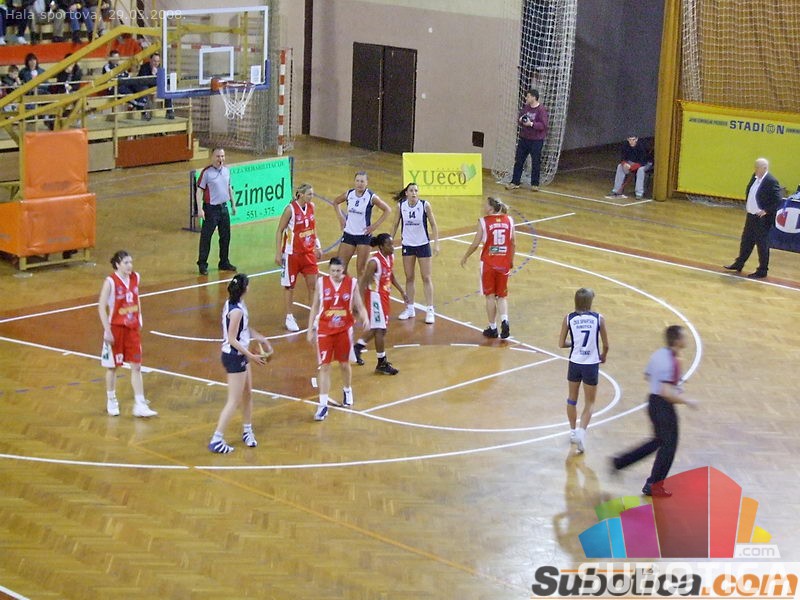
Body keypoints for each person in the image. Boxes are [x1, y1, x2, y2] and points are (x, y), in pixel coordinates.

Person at [611, 325, 699, 497]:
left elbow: (648, 376)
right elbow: (667, 393)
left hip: (652, 402)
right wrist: (687, 401)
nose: (686, 339)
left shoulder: (659, 354)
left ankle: (620, 462)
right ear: (677, 340)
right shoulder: (672, 361)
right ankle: (653, 484)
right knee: (669, 446)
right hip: (663, 406)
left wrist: (671, 382)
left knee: (658, 441)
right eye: (683, 337)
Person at [207, 273, 272, 454]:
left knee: (247, 393)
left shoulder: (236, 304)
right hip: (235, 357)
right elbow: (232, 338)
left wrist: (260, 337)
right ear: (245, 289)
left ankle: (247, 430)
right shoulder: (236, 311)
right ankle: (217, 438)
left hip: (240, 356)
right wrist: (251, 355)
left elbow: (243, 329)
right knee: (234, 400)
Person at [306, 257, 368, 421]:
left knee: (344, 364)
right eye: (332, 271)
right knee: (324, 366)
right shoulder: (321, 283)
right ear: (329, 270)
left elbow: (359, 305)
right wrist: (310, 329)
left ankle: (347, 390)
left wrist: (365, 318)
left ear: (343, 270)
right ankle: (323, 405)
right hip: (324, 329)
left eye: (338, 271)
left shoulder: (351, 283)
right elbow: (314, 306)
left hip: (344, 330)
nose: (335, 274)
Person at [97, 250, 158, 418]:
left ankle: (140, 403)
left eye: (131, 262)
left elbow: (136, 298)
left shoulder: (135, 277)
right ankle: (111, 399)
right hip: (116, 329)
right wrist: (107, 330)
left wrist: (139, 317)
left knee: (136, 366)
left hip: (132, 328)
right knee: (112, 367)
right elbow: (101, 307)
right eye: (126, 263)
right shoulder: (110, 282)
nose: (130, 265)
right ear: (117, 264)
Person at [558, 288, 609, 454]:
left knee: (572, 399)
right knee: (590, 402)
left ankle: (573, 431)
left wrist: (574, 344)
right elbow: (606, 345)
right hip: (591, 364)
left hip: (574, 363)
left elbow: (561, 344)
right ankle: (581, 432)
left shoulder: (568, 318)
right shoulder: (599, 319)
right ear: (590, 302)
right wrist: (603, 355)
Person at [460, 197, 516, 340]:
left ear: (490, 208)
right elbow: (513, 243)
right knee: (502, 296)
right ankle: (505, 320)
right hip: (503, 263)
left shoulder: (483, 222)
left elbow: (475, 244)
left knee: (490, 296)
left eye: (485, 205)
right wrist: (511, 260)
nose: (483, 207)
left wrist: (465, 256)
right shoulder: (509, 220)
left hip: (488, 264)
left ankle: (493, 328)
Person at [354, 233, 408, 375]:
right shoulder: (374, 262)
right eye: (389, 244)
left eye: (392, 244)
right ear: (382, 247)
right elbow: (363, 282)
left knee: (379, 329)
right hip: (375, 298)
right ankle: (381, 362)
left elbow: (391, 275)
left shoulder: (390, 257)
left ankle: (357, 348)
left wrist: (402, 291)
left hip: (384, 296)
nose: (393, 247)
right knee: (380, 330)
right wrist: (358, 303)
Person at [723, 157, 782, 279]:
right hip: (751, 216)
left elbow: (778, 200)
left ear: (764, 168)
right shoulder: (754, 177)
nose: (755, 169)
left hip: (762, 219)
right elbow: (749, 191)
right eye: (755, 167)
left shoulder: (771, 181)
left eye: (757, 167)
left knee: (762, 244)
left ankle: (762, 270)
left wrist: (766, 210)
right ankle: (739, 263)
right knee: (746, 241)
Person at [389, 182, 440, 324]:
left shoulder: (424, 205)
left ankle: (430, 310)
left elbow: (433, 224)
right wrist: (389, 241)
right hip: (408, 245)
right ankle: (410, 308)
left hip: (423, 244)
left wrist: (436, 243)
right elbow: (395, 224)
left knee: (426, 277)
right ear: (406, 193)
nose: (414, 193)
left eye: (416, 190)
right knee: (409, 277)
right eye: (411, 190)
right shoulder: (401, 206)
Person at [275, 182, 322, 332]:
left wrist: (317, 245)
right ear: (301, 195)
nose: (312, 196)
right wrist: (278, 252)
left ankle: (314, 317)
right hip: (292, 254)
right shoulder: (290, 209)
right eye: (309, 194)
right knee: (289, 287)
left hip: (308, 253)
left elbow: (313, 228)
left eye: (312, 194)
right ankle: (289, 317)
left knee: (313, 286)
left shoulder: (312, 207)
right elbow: (279, 230)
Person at [332, 171, 392, 276]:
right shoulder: (349, 194)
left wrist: (374, 226)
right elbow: (336, 202)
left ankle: (361, 287)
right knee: (341, 267)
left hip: (363, 237)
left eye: (362, 181)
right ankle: (351, 285)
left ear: (366, 183)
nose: (359, 184)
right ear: (354, 182)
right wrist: (341, 218)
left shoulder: (371, 197)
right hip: (349, 234)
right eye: (358, 181)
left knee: (361, 270)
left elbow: (387, 210)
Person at [196, 148, 237, 276]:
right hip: (211, 209)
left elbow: (229, 187)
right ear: (212, 157)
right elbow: (199, 191)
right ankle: (202, 264)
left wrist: (233, 204)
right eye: (218, 156)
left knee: (225, 236)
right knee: (206, 237)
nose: (221, 159)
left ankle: (224, 262)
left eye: (222, 156)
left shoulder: (226, 171)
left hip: (223, 208)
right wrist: (200, 209)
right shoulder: (206, 173)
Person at [505, 88, 549, 192]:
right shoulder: (526, 108)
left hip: (536, 140)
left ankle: (535, 184)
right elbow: (520, 118)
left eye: (528, 96)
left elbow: (543, 125)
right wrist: (521, 120)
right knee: (519, 160)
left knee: (535, 162)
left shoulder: (541, 110)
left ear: (534, 97)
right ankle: (515, 182)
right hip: (524, 138)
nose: (526, 98)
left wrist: (532, 124)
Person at [137, 52, 173, 119]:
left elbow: (162, 80)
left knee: (167, 88)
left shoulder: (160, 68)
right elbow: (143, 81)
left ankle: (169, 112)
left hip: (155, 86)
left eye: (158, 61)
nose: (156, 63)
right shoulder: (144, 67)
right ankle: (144, 113)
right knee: (145, 90)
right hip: (144, 86)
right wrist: (153, 74)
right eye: (154, 61)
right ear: (150, 60)